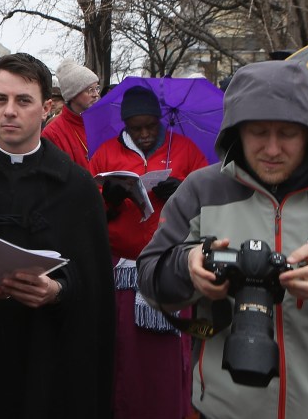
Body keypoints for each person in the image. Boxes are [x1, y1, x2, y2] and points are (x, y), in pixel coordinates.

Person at [137, 60, 308, 419]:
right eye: (258, 132)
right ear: (236, 131)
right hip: (221, 410)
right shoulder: (202, 189)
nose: (272, 149)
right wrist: (189, 267)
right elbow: (150, 279)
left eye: (288, 133)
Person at [0, 53, 114, 418]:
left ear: (46, 108)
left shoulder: (75, 187)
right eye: (1, 99)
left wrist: (58, 290)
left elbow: (95, 287)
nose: (10, 111)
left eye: (23, 100)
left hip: (48, 362)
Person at [89, 85, 208, 419]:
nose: (143, 134)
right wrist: (108, 200)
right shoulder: (104, 155)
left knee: (168, 355)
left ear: (160, 121)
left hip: (171, 264)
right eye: (135, 127)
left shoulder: (184, 150)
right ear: (124, 124)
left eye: (150, 127)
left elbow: (208, 203)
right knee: (123, 351)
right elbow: (86, 210)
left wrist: (183, 190)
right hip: (121, 269)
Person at [42, 59, 100, 169]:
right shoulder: (52, 133)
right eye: (90, 90)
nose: (96, 94)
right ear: (73, 94)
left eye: (97, 88)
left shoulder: (100, 124)